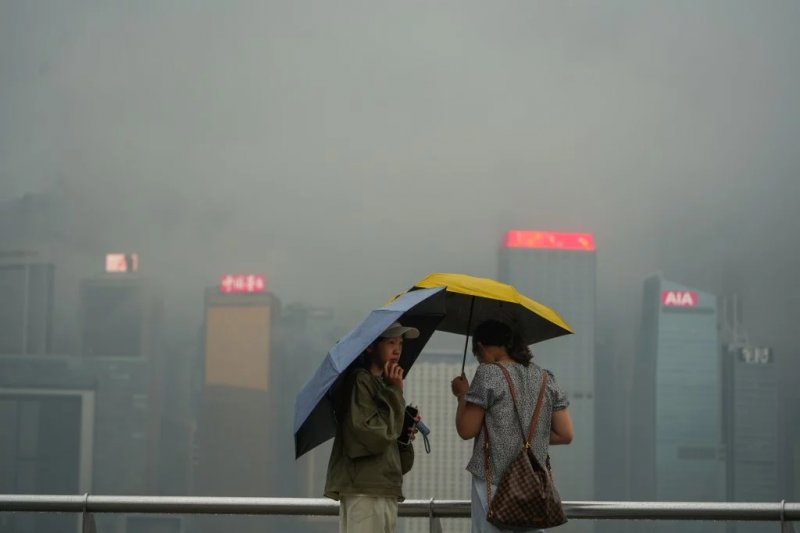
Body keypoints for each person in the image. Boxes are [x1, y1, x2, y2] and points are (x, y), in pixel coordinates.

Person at [451, 320, 574, 533]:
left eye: (477, 354)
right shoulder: (546, 377)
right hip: (533, 489)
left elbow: (466, 430)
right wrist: (527, 436)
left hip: (494, 485)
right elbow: (565, 434)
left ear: (481, 346)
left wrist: (463, 394)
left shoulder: (488, 373)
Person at [325, 321, 421, 533]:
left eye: (401, 343)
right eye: (390, 342)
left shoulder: (384, 385)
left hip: (383, 488)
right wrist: (395, 393)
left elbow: (400, 462)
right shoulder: (360, 381)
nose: (397, 350)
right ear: (371, 346)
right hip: (364, 490)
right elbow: (373, 437)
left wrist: (404, 434)